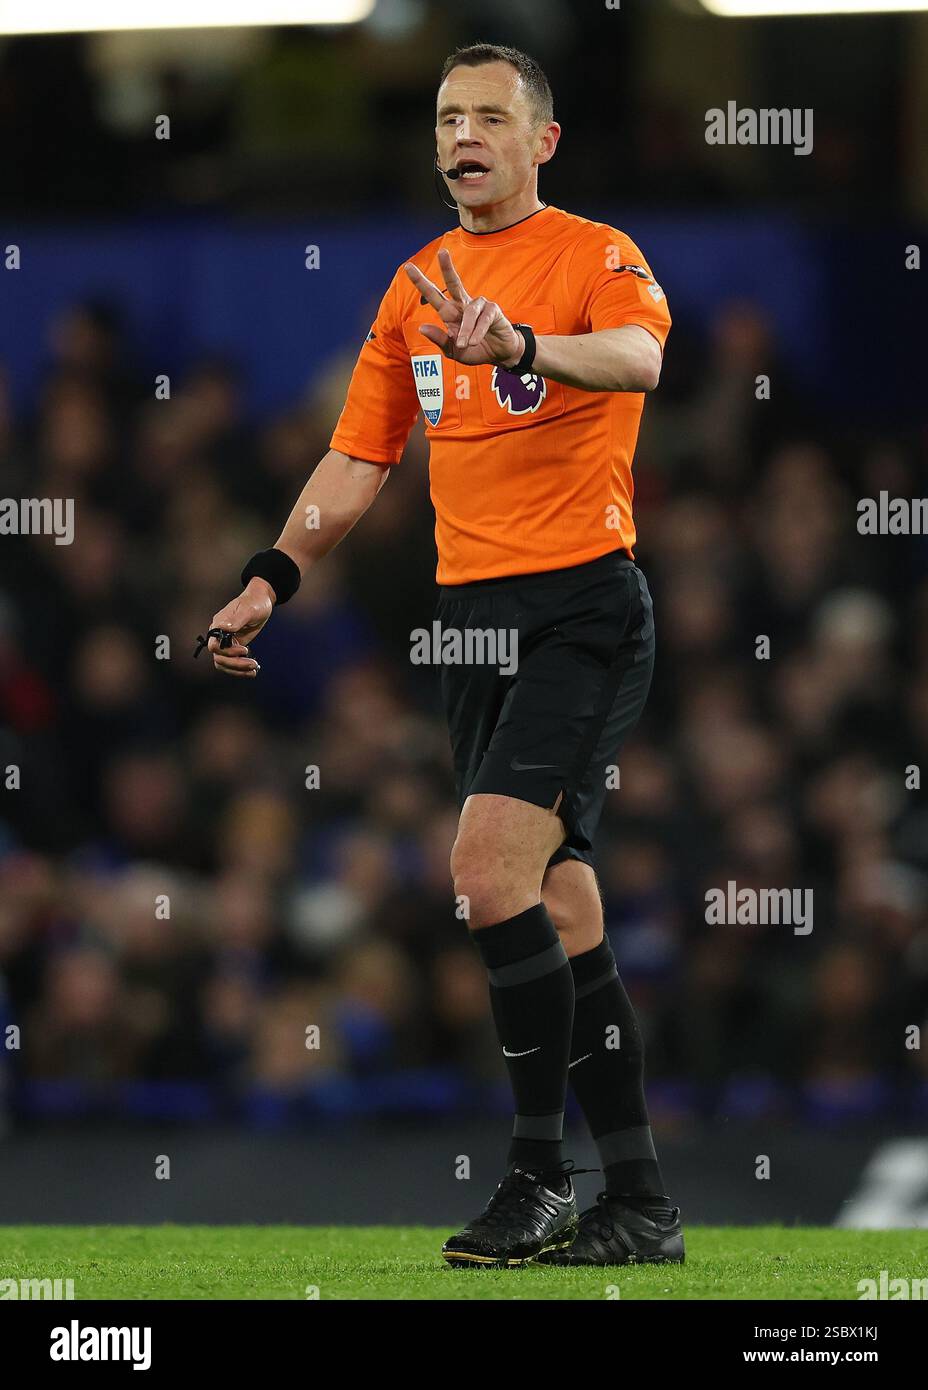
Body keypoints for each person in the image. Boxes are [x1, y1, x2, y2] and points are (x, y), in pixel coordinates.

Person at [205, 42, 683, 1269]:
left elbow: (640, 360)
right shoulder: (415, 283)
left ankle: (535, 1179)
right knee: (560, 902)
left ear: (542, 143)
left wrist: (520, 347)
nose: (461, 135)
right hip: (471, 623)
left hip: (583, 606)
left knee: (482, 873)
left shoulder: (596, 254)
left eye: (487, 116)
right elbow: (358, 455)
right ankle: (639, 1204)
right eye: (444, 116)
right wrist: (272, 575)